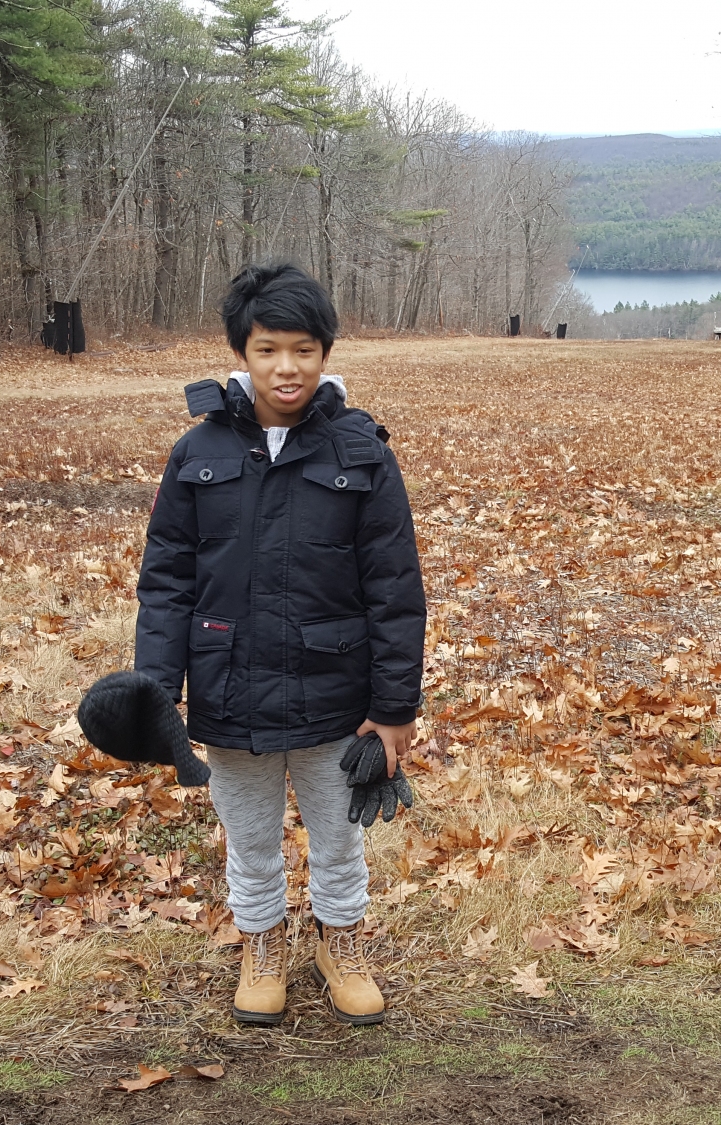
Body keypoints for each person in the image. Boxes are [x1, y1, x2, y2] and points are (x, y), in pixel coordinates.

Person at [134, 263, 425, 1026]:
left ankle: (340, 943)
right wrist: (155, 692)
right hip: (229, 692)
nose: (286, 367)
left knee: (339, 838)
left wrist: (394, 710)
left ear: (325, 352)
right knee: (251, 839)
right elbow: (165, 582)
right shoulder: (196, 451)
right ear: (242, 351)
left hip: (336, 696)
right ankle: (261, 945)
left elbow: (395, 588)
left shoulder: (362, 453)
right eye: (268, 349)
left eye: (303, 349)